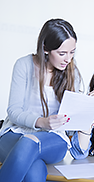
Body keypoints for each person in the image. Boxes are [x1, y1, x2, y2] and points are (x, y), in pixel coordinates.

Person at [0, 19, 82, 182]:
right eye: (62, 53)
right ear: (45, 49)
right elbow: (14, 111)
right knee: (34, 168)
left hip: (53, 138)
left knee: (30, 143)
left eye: (72, 52)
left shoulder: (72, 72)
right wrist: (41, 122)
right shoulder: (24, 65)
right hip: (16, 132)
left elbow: (71, 122)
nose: (68, 59)